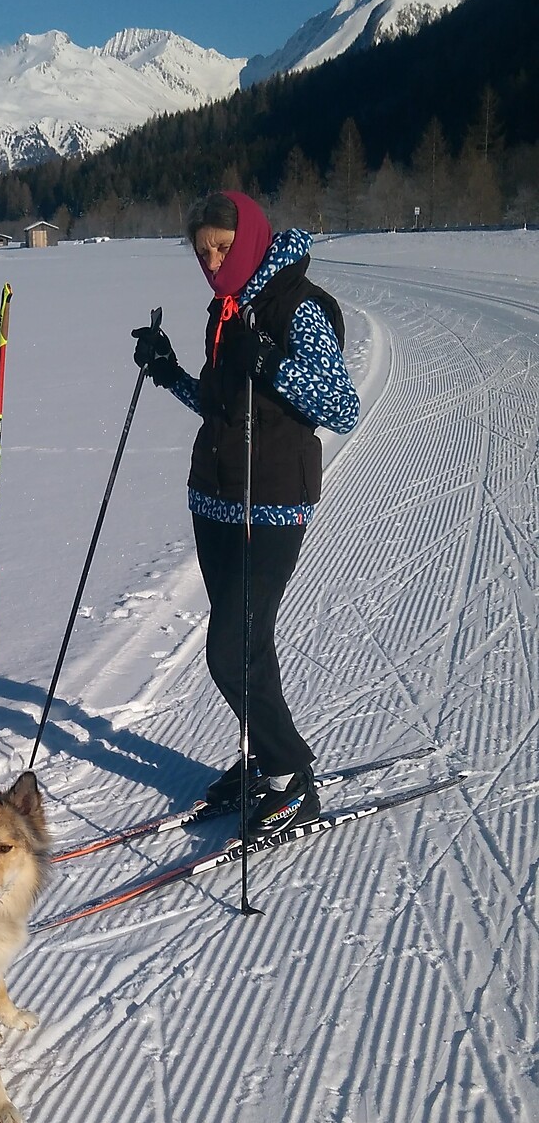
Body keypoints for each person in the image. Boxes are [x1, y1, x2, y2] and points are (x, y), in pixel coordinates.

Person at [132, 189, 359, 835]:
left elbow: (341, 405)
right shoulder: (227, 310)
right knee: (248, 644)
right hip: (215, 498)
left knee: (230, 652)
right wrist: (169, 370)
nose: (211, 261)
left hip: (273, 503)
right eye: (202, 251)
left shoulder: (299, 307)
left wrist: (277, 364)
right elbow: (222, 405)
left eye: (222, 248)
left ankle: (290, 778)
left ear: (252, 238)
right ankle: (262, 759)